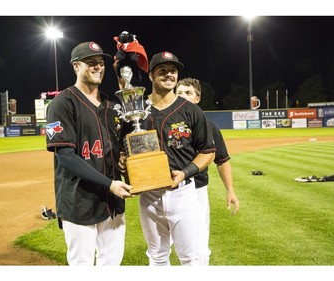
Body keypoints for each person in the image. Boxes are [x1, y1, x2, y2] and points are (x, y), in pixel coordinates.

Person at [118, 52, 216, 265]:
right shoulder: (135, 110)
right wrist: (123, 164)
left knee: (190, 257)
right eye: (162, 70)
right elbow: (123, 150)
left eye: (173, 71)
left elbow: (208, 151)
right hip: (149, 196)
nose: (169, 75)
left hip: (183, 194)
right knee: (157, 256)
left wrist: (185, 172)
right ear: (151, 75)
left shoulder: (191, 111)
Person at [45, 41, 134, 266]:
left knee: (111, 263)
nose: (98, 67)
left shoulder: (113, 104)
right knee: (81, 265)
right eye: (91, 63)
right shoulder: (61, 103)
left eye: (101, 63)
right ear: (76, 66)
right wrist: (109, 183)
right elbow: (65, 156)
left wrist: (124, 157)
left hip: (112, 201)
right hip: (78, 200)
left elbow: (125, 141)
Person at [175, 77, 240, 265]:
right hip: (167, 189)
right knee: (162, 246)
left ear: (197, 98)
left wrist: (230, 190)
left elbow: (222, 161)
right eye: (179, 93)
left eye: (188, 93)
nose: (183, 97)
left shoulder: (210, 127)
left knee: (199, 244)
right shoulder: (164, 124)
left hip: (196, 191)